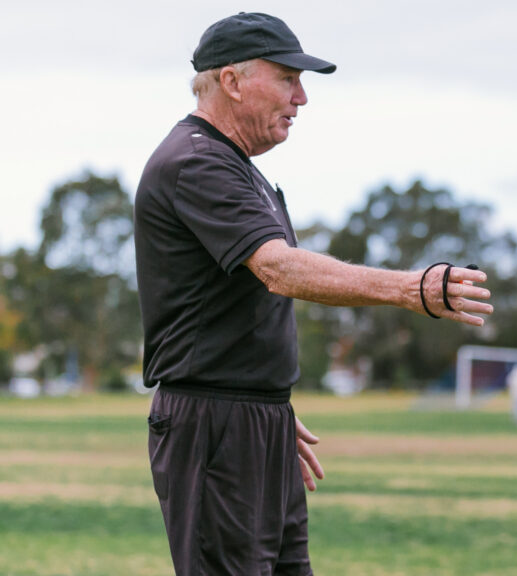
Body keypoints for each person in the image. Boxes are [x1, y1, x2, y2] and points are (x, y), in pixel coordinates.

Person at [134, 13, 492, 576]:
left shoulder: (236, 166)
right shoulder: (195, 163)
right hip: (216, 424)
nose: (301, 98)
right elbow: (278, 269)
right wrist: (410, 288)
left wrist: (265, 406)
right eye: (286, 79)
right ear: (231, 81)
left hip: (252, 417)